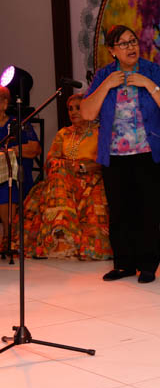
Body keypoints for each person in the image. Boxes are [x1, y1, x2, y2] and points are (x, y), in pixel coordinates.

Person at [81, 24, 160, 283]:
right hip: (114, 156)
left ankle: (148, 265)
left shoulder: (152, 71)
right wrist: (106, 86)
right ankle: (124, 264)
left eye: (133, 41)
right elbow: (87, 113)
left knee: (147, 211)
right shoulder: (104, 75)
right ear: (112, 51)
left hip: (150, 153)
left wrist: (148, 85)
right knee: (120, 211)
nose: (131, 47)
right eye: (123, 44)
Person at [21, 94, 111, 260]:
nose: (73, 112)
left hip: (89, 178)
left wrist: (81, 167)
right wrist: (64, 166)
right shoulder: (63, 133)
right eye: (70, 109)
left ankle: (69, 238)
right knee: (55, 179)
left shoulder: (100, 132)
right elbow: (50, 160)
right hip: (63, 179)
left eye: (78, 107)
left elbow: (104, 161)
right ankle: (58, 237)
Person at [0, 85, 41, 249]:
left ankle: (8, 236)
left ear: (4, 103)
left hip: (16, 176)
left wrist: (13, 150)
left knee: (4, 186)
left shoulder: (18, 124)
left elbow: (35, 148)